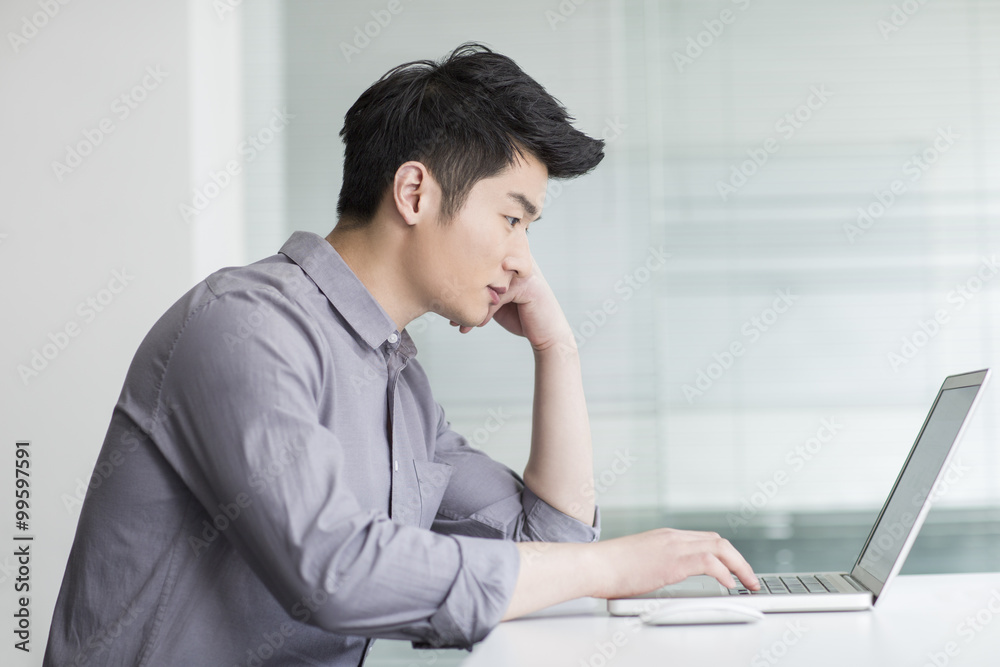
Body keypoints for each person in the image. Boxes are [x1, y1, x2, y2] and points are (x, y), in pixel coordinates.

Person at [43, 43, 758, 666]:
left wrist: (557, 348)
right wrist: (609, 564)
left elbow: (550, 543)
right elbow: (333, 570)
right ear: (415, 191)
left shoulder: (400, 385)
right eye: (512, 218)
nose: (523, 262)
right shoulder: (245, 326)